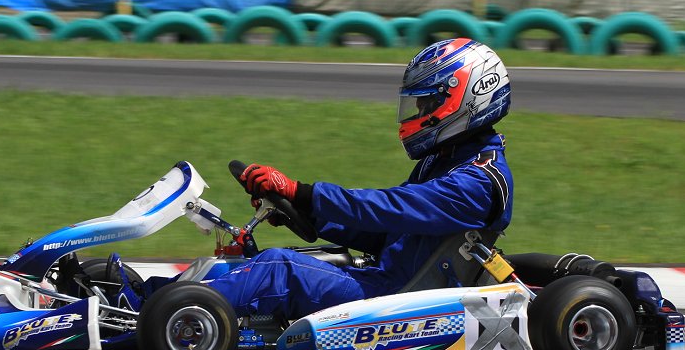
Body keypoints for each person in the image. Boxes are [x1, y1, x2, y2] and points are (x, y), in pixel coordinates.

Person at [206, 38, 514, 319]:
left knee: (279, 268)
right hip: (388, 282)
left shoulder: (479, 182)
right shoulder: (443, 161)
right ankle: (166, 301)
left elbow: (389, 208)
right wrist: (308, 214)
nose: (417, 112)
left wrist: (302, 193)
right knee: (253, 263)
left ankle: (175, 314)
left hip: (403, 300)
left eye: (426, 104)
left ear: (468, 99)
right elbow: (385, 233)